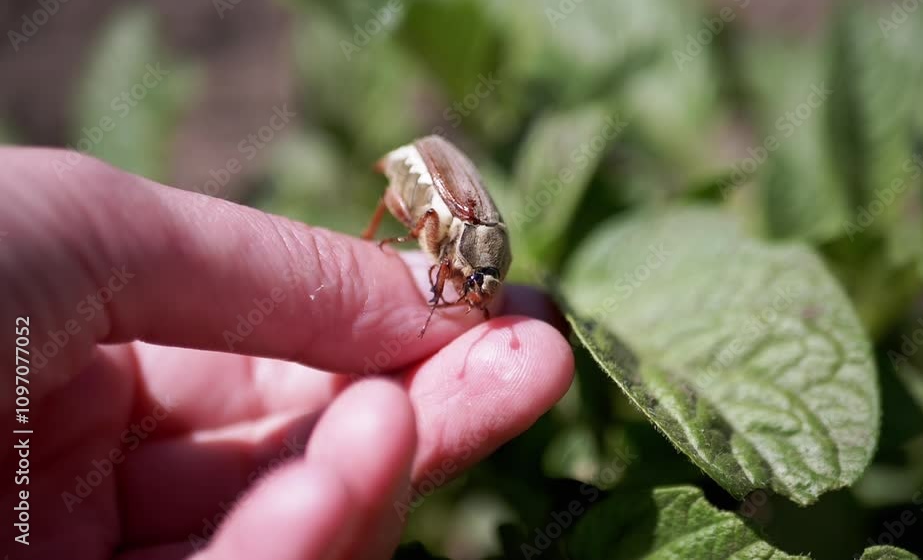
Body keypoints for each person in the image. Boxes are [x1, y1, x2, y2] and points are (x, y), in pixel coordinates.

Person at [0, 148, 574, 559]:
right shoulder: (455, 230)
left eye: (479, 286)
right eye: (473, 280)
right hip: (423, 169)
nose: (471, 291)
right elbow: (434, 222)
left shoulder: (483, 249)